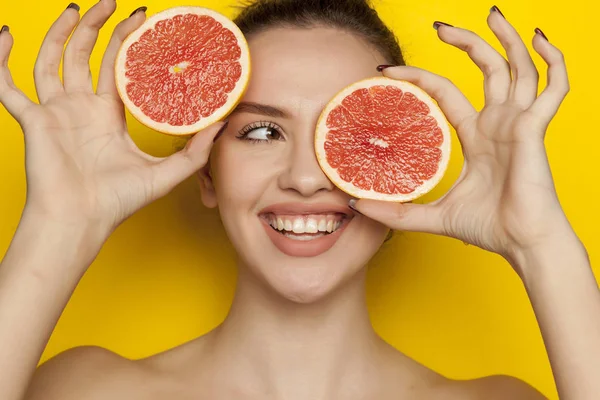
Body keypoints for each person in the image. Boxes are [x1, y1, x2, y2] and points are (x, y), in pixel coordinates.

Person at [0, 0, 597, 398]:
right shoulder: (87, 391)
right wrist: (60, 222)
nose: (307, 177)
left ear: (402, 173)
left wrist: (541, 245)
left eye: (357, 136)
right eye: (262, 131)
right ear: (207, 173)